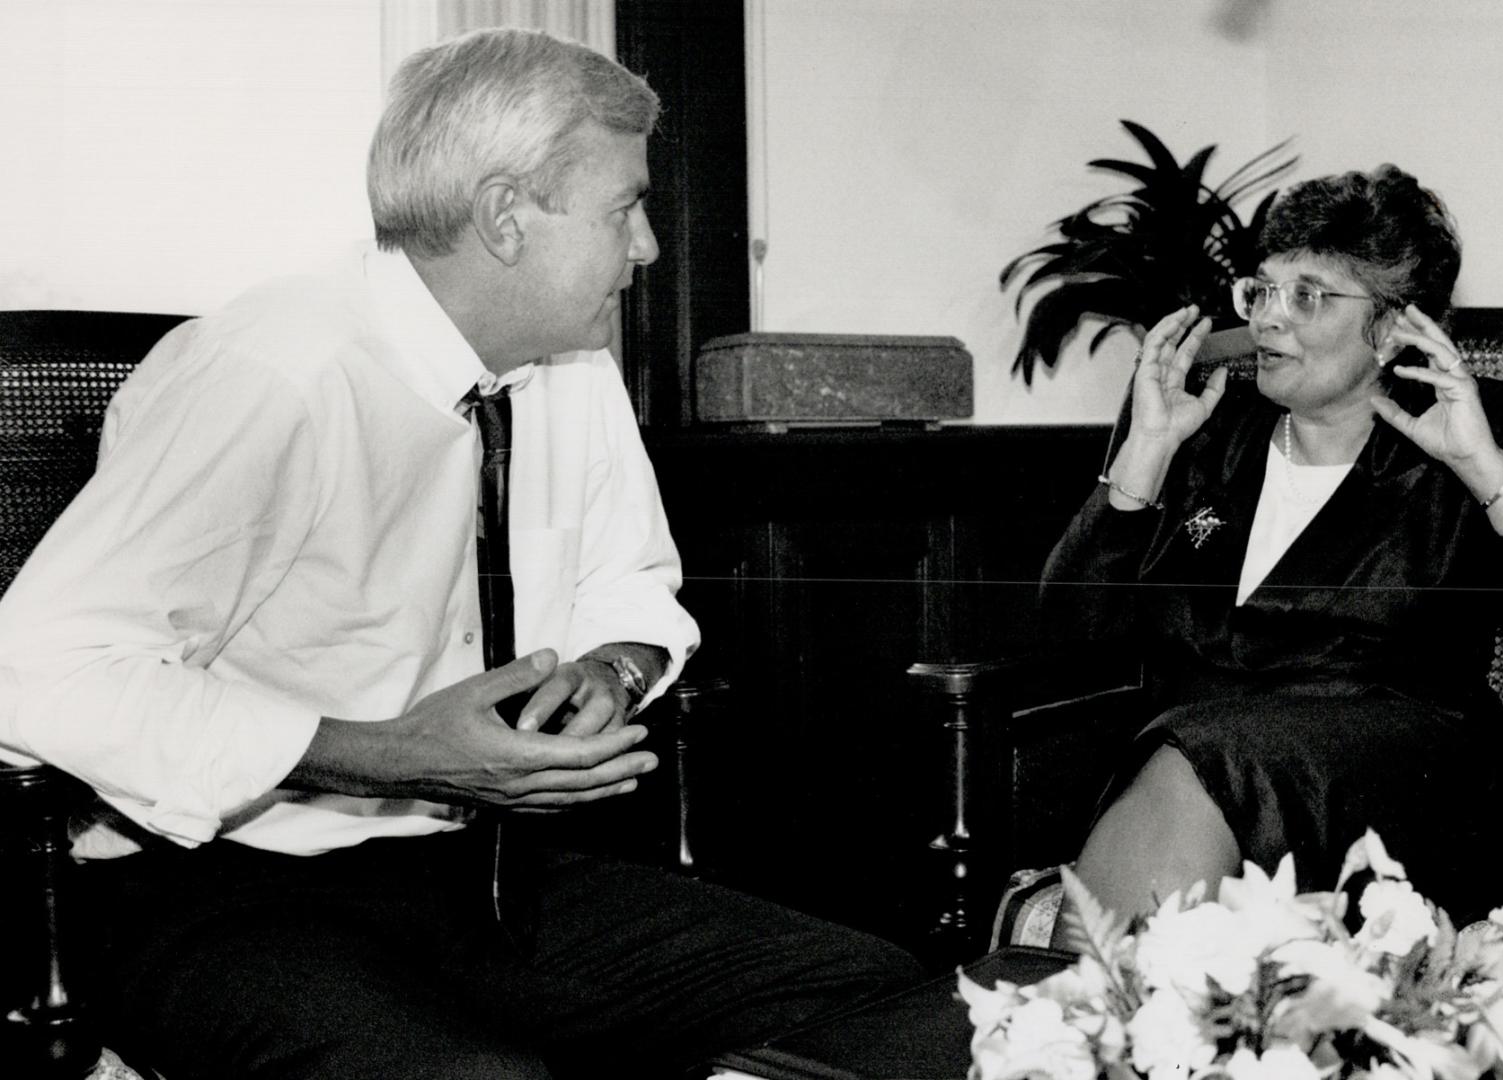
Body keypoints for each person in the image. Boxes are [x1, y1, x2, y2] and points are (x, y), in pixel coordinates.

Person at [0, 28, 918, 1080]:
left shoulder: (566, 359)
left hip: (476, 874)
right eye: (625, 208)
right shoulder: (276, 371)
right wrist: (393, 752)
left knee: (873, 995)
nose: (651, 247)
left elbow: (631, 581)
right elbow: (35, 675)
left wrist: (608, 673)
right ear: (504, 216)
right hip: (217, 894)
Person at [1040, 164, 1503, 933]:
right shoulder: (1206, 427)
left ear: (1393, 325)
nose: (1267, 318)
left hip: (1408, 787)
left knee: (1206, 760)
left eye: (1307, 294)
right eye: (1261, 289)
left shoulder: (1477, 425)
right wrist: (1139, 464)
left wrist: (1485, 471)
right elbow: (1068, 634)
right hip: (1206, 760)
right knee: (1202, 756)